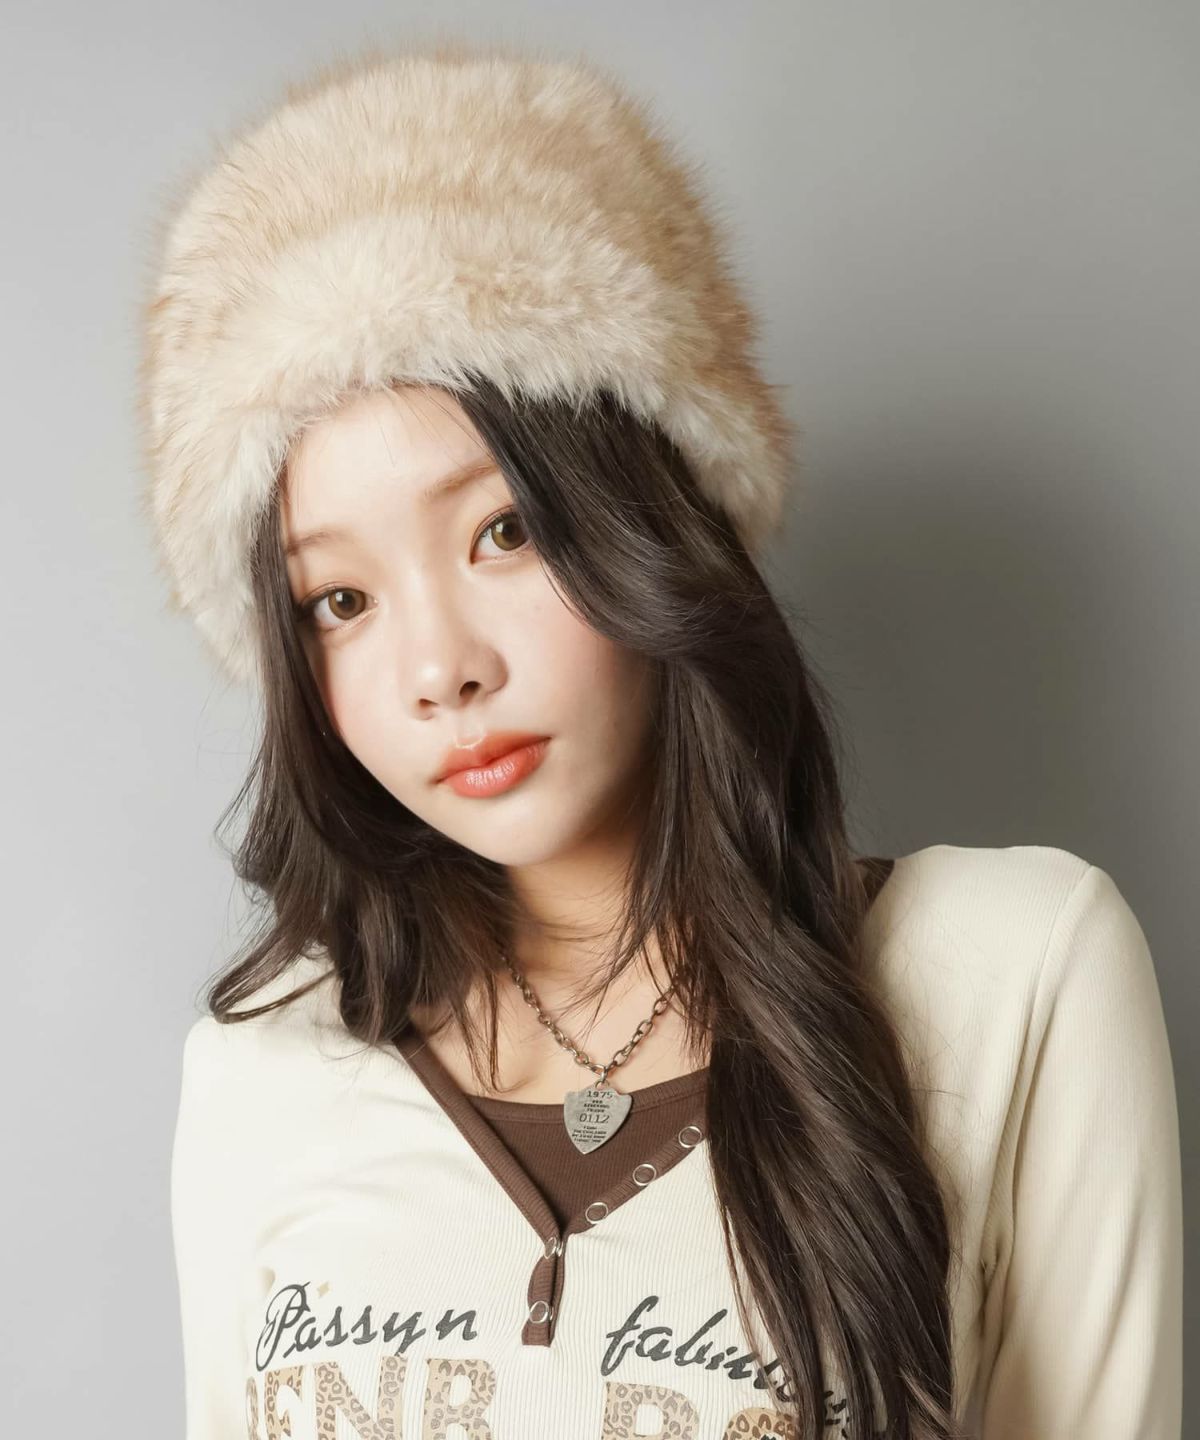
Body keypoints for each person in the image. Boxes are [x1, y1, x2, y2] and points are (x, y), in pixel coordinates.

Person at [136, 39, 1183, 1440]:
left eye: (504, 529)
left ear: (649, 519)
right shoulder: (265, 1068)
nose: (442, 670)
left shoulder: (1016, 969)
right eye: (341, 600)